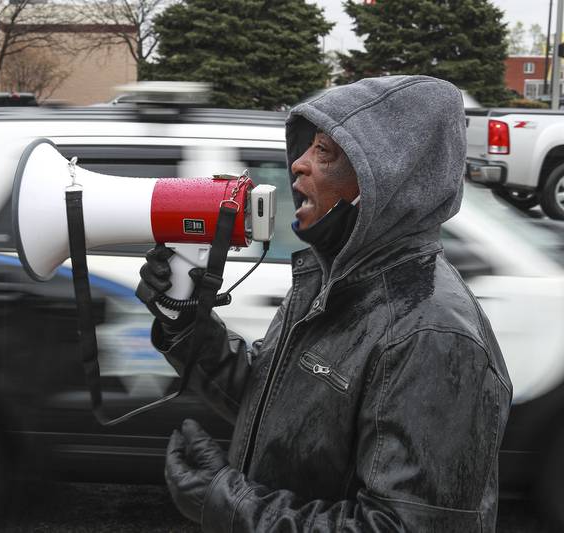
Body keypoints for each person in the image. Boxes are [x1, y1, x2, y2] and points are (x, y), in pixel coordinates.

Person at [136, 75, 512, 531]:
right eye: (306, 147)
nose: (297, 164)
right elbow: (277, 403)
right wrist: (187, 324)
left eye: (325, 152)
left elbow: (402, 526)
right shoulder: (329, 279)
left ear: (382, 180)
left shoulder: (429, 335)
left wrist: (229, 505)